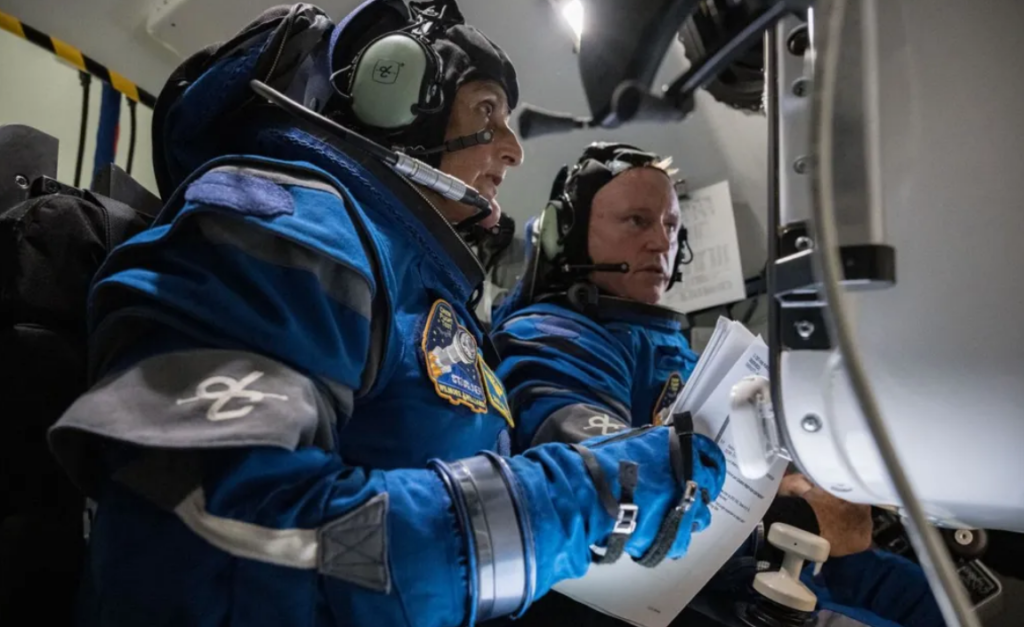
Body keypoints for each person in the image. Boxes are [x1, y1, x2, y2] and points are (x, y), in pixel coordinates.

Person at [47, 3, 727, 627]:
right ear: (393, 94)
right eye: (488, 109)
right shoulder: (286, 220)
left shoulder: (413, 278)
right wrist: (589, 497)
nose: (514, 150)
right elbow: (214, 540)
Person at [491, 142, 944, 627]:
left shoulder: (669, 343)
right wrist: (795, 515)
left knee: (928, 598)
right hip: (677, 576)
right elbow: (603, 472)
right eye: (636, 221)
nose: (661, 243)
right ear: (569, 235)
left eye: (670, 225)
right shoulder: (552, 334)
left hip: (751, 555)